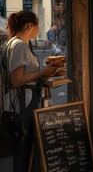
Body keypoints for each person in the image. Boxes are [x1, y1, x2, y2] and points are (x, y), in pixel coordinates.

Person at [0, 10, 57, 172]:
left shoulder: (10, 43)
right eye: (37, 25)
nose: (39, 28)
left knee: (18, 151)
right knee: (22, 151)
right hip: (21, 106)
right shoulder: (19, 45)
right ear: (29, 25)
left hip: (12, 105)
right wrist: (42, 72)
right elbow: (17, 80)